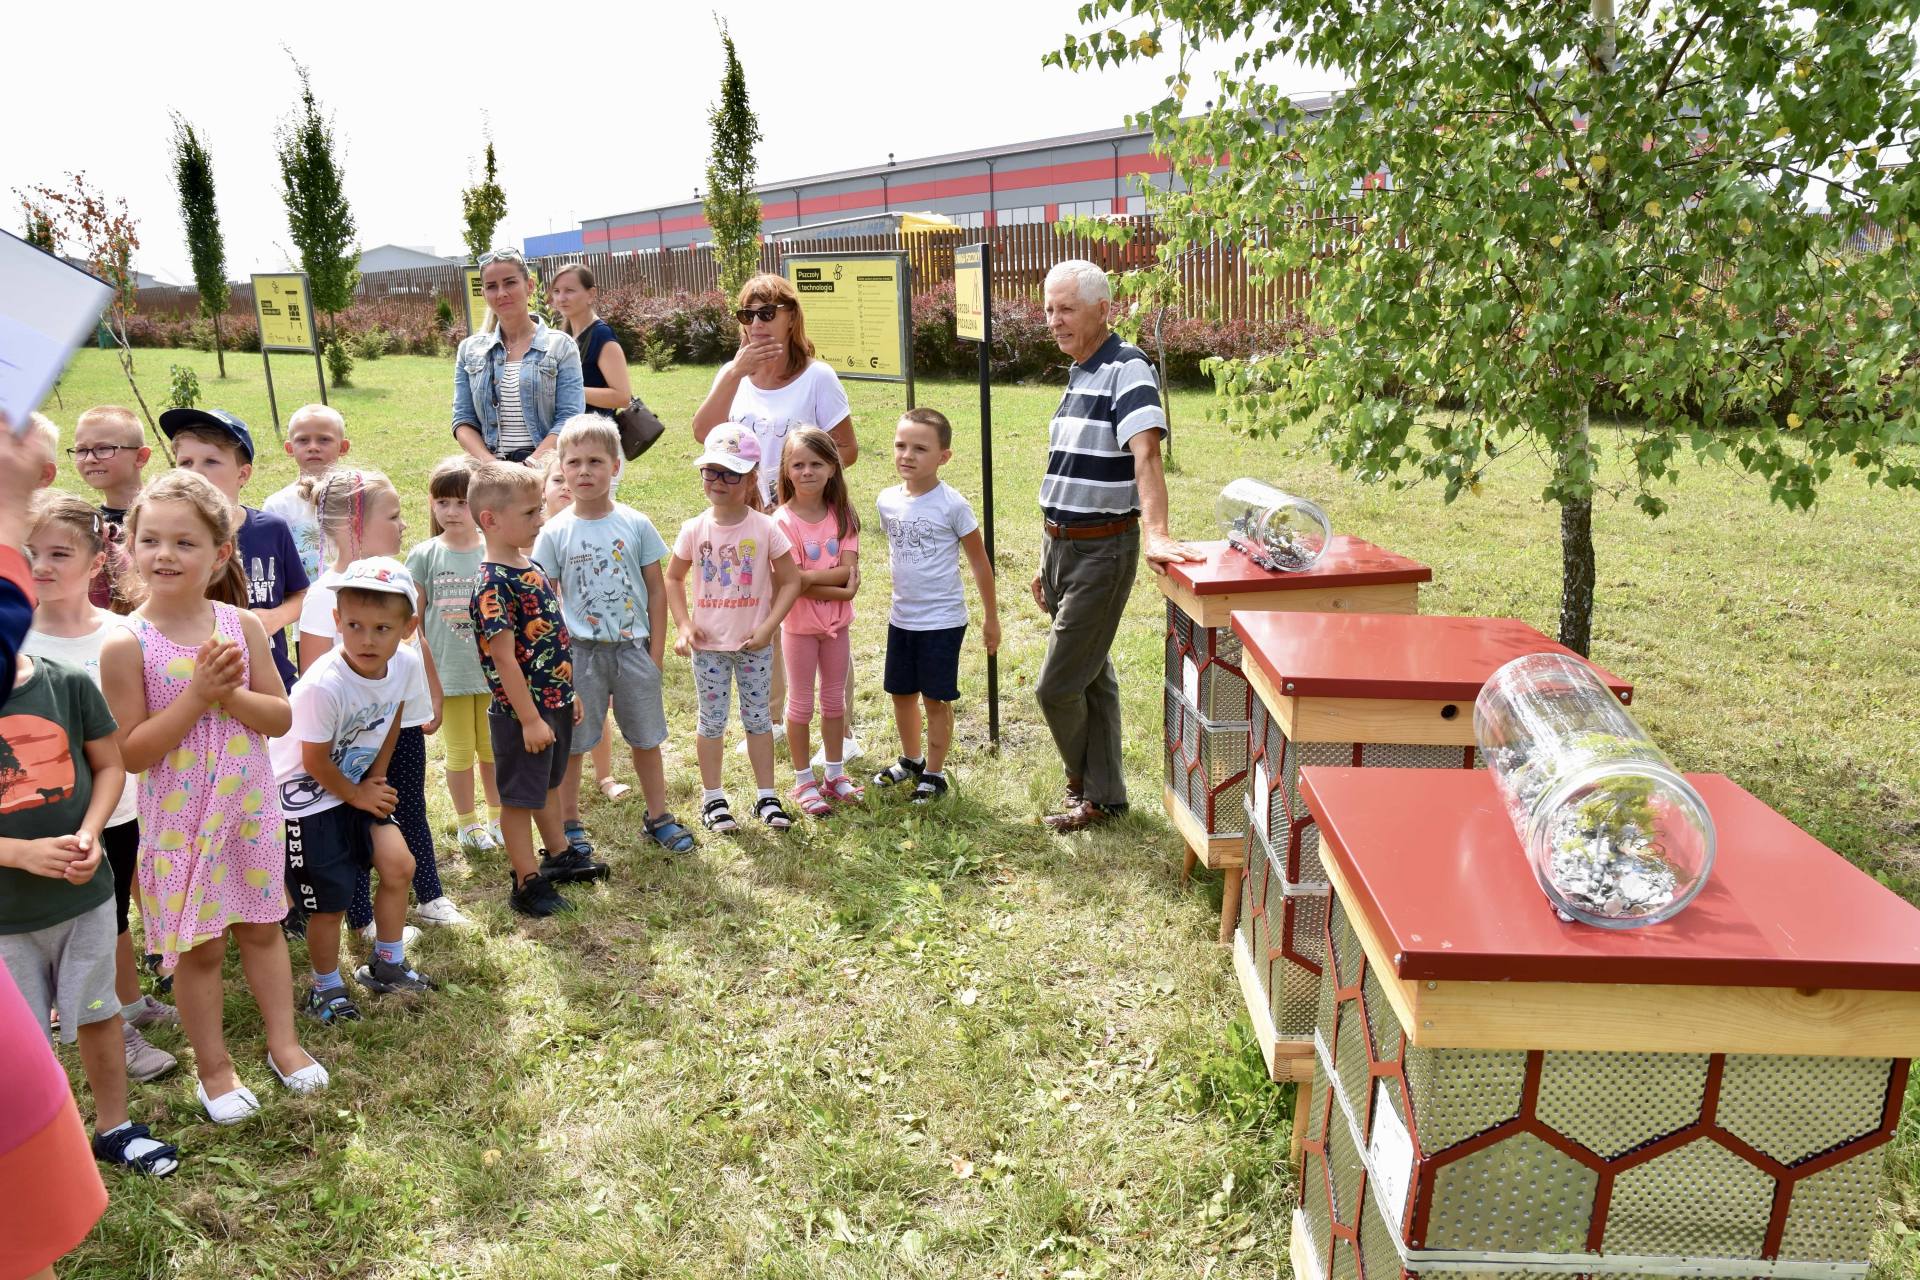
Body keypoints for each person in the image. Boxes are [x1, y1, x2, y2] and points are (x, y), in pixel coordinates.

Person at [98, 470, 325, 1123]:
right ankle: (215, 1069)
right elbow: (131, 751)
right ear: (130, 547)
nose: (165, 554)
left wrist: (229, 695)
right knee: (200, 949)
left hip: (249, 812)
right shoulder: (126, 642)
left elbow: (280, 718)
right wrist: (197, 698)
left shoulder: (242, 625)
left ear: (220, 553)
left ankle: (284, 1043)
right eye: (151, 540)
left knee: (262, 928)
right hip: (177, 824)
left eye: (185, 542)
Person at [0, 619, 185, 1178]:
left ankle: (114, 1128)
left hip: (85, 902)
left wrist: (92, 831)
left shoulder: (66, 684)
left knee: (99, 1014)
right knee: (22, 1044)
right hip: (7, 922)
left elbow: (108, 765)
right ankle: (37, 1149)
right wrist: (18, 853)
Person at [1031, 260, 1202, 832]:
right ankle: (1106, 799)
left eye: (1067, 309)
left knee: (1057, 687)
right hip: (1062, 547)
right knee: (1094, 676)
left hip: (1103, 550)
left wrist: (1156, 532)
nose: (1054, 320)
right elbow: (1066, 470)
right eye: (1050, 309)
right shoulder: (1081, 370)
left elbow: (1146, 454)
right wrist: (1045, 558)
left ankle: (1082, 785)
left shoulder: (1127, 368)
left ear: (1103, 310)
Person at [23, 493, 176, 1084]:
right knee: (88, 923)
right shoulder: (17, 644)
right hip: (50, 819)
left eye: (59, 553)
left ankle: (130, 1001)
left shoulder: (122, 632)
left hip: (123, 805)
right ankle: (110, 1024)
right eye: (29, 552)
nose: (42, 565)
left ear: (96, 560)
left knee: (114, 916)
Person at [293, 468, 465, 931]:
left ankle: (430, 894)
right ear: (356, 525)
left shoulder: (400, 575)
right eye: (393, 515)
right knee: (350, 818)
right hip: (347, 738)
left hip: (395, 718)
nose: (404, 524)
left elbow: (415, 639)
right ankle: (362, 915)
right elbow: (312, 672)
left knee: (406, 802)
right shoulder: (321, 596)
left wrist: (431, 692)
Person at [270, 558, 436, 1026]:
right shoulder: (326, 683)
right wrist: (358, 794)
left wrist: (375, 781)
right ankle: (324, 987)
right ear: (337, 621)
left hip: (356, 786)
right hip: (304, 796)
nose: (367, 639)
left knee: (400, 865)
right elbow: (313, 761)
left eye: (382, 627)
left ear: (408, 627)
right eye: (355, 625)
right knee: (332, 900)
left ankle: (387, 963)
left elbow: (390, 724)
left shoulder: (404, 665)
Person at [533, 417, 695, 855]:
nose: (585, 471)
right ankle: (570, 825)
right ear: (561, 471)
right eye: (574, 463)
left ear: (616, 467)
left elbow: (658, 590)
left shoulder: (636, 524)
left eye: (595, 462)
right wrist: (557, 666)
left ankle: (658, 816)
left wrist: (655, 654)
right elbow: (546, 605)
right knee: (572, 745)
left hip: (632, 652)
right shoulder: (552, 532)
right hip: (578, 656)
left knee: (645, 738)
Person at [467, 461, 603, 918]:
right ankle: (526, 881)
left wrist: (569, 691)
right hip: (520, 715)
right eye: (529, 513)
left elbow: (552, 638)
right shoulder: (492, 586)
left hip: (554, 702)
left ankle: (559, 854)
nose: (539, 519)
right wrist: (528, 718)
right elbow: (504, 658)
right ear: (490, 520)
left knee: (548, 782)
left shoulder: (532, 566)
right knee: (519, 796)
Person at [665, 424, 803, 833]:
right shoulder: (693, 529)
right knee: (711, 722)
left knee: (759, 720)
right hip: (708, 648)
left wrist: (769, 627)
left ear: (751, 479)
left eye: (732, 473)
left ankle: (767, 796)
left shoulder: (766, 528)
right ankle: (714, 799)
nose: (720, 481)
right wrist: (684, 625)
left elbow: (791, 580)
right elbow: (672, 578)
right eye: (712, 471)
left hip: (753, 646)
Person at [871, 409, 1000, 803]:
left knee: (935, 698)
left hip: (942, 621)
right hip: (902, 617)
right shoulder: (887, 501)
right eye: (901, 445)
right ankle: (911, 759)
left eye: (920, 448)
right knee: (901, 693)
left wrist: (991, 618)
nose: (907, 455)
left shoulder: (953, 505)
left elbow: (979, 562)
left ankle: (935, 772)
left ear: (944, 456)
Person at [161, 407, 311, 690]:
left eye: (211, 461)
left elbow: (301, 593)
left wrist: (277, 617)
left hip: (272, 680)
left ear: (243, 474)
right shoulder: (169, 541)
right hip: (195, 684)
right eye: (186, 462)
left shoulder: (271, 529)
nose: (196, 473)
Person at [408, 457, 502, 856]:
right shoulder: (425, 554)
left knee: (493, 750)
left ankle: (499, 818)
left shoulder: (493, 549)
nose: (450, 511)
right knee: (461, 751)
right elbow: (414, 620)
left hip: (497, 674)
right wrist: (427, 679)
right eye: (442, 501)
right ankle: (468, 824)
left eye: (460, 502)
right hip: (451, 676)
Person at [773, 427, 862, 816]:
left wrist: (807, 578)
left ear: (832, 469)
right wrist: (832, 586)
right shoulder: (781, 521)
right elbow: (791, 582)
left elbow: (847, 572)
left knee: (834, 700)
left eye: (816, 463)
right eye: (798, 464)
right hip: (799, 629)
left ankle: (835, 774)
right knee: (800, 703)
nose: (807, 471)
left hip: (837, 628)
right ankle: (802, 780)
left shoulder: (843, 516)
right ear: (787, 471)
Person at [538, 463, 624, 801]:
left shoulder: (592, 527)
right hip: (550, 643)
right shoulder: (533, 533)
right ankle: (556, 782)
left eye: (567, 479)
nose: (565, 486)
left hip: (587, 640)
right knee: (557, 714)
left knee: (595, 709)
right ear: (542, 489)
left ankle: (605, 776)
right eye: (556, 479)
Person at [451, 247, 584, 463]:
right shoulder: (469, 350)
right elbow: (463, 420)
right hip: (490, 477)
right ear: (484, 294)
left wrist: (530, 466)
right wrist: (494, 466)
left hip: (545, 473)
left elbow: (570, 419)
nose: (501, 293)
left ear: (529, 286)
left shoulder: (561, 346)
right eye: (491, 286)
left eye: (510, 282)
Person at [67, 404, 148, 614]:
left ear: (141, 457)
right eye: (82, 450)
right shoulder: (88, 525)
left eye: (104, 449)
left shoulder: (164, 515)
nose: (90, 458)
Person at [261, 404, 350, 582]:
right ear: (289, 448)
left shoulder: (358, 497)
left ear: (343, 447)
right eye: (303, 440)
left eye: (324, 439)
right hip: (301, 603)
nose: (313, 447)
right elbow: (272, 566)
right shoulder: (278, 506)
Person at [549, 265, 632, 420]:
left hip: (595, 438)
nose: (561, 298)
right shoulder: (564, 337)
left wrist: (569, 390)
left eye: (569, 290)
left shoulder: (601, 335)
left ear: (591, 294)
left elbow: (623, 397)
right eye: (556, 291)